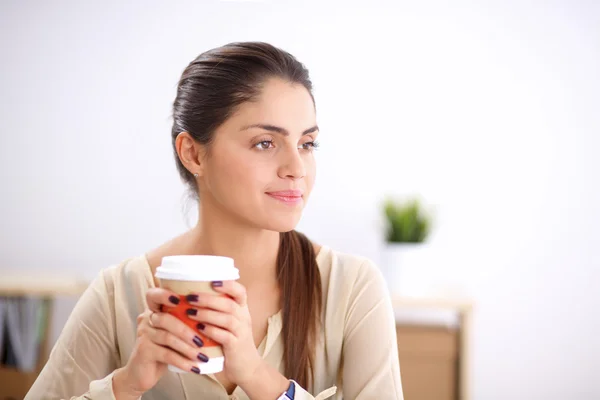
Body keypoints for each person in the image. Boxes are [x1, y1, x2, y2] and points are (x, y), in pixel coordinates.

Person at [26, 42, 403, 400]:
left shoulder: (352, 289)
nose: (296, 168)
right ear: (193, 154)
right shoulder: (119, 295)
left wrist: (257, 377)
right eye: (265, 143)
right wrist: (126, 384)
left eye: (307, 143)